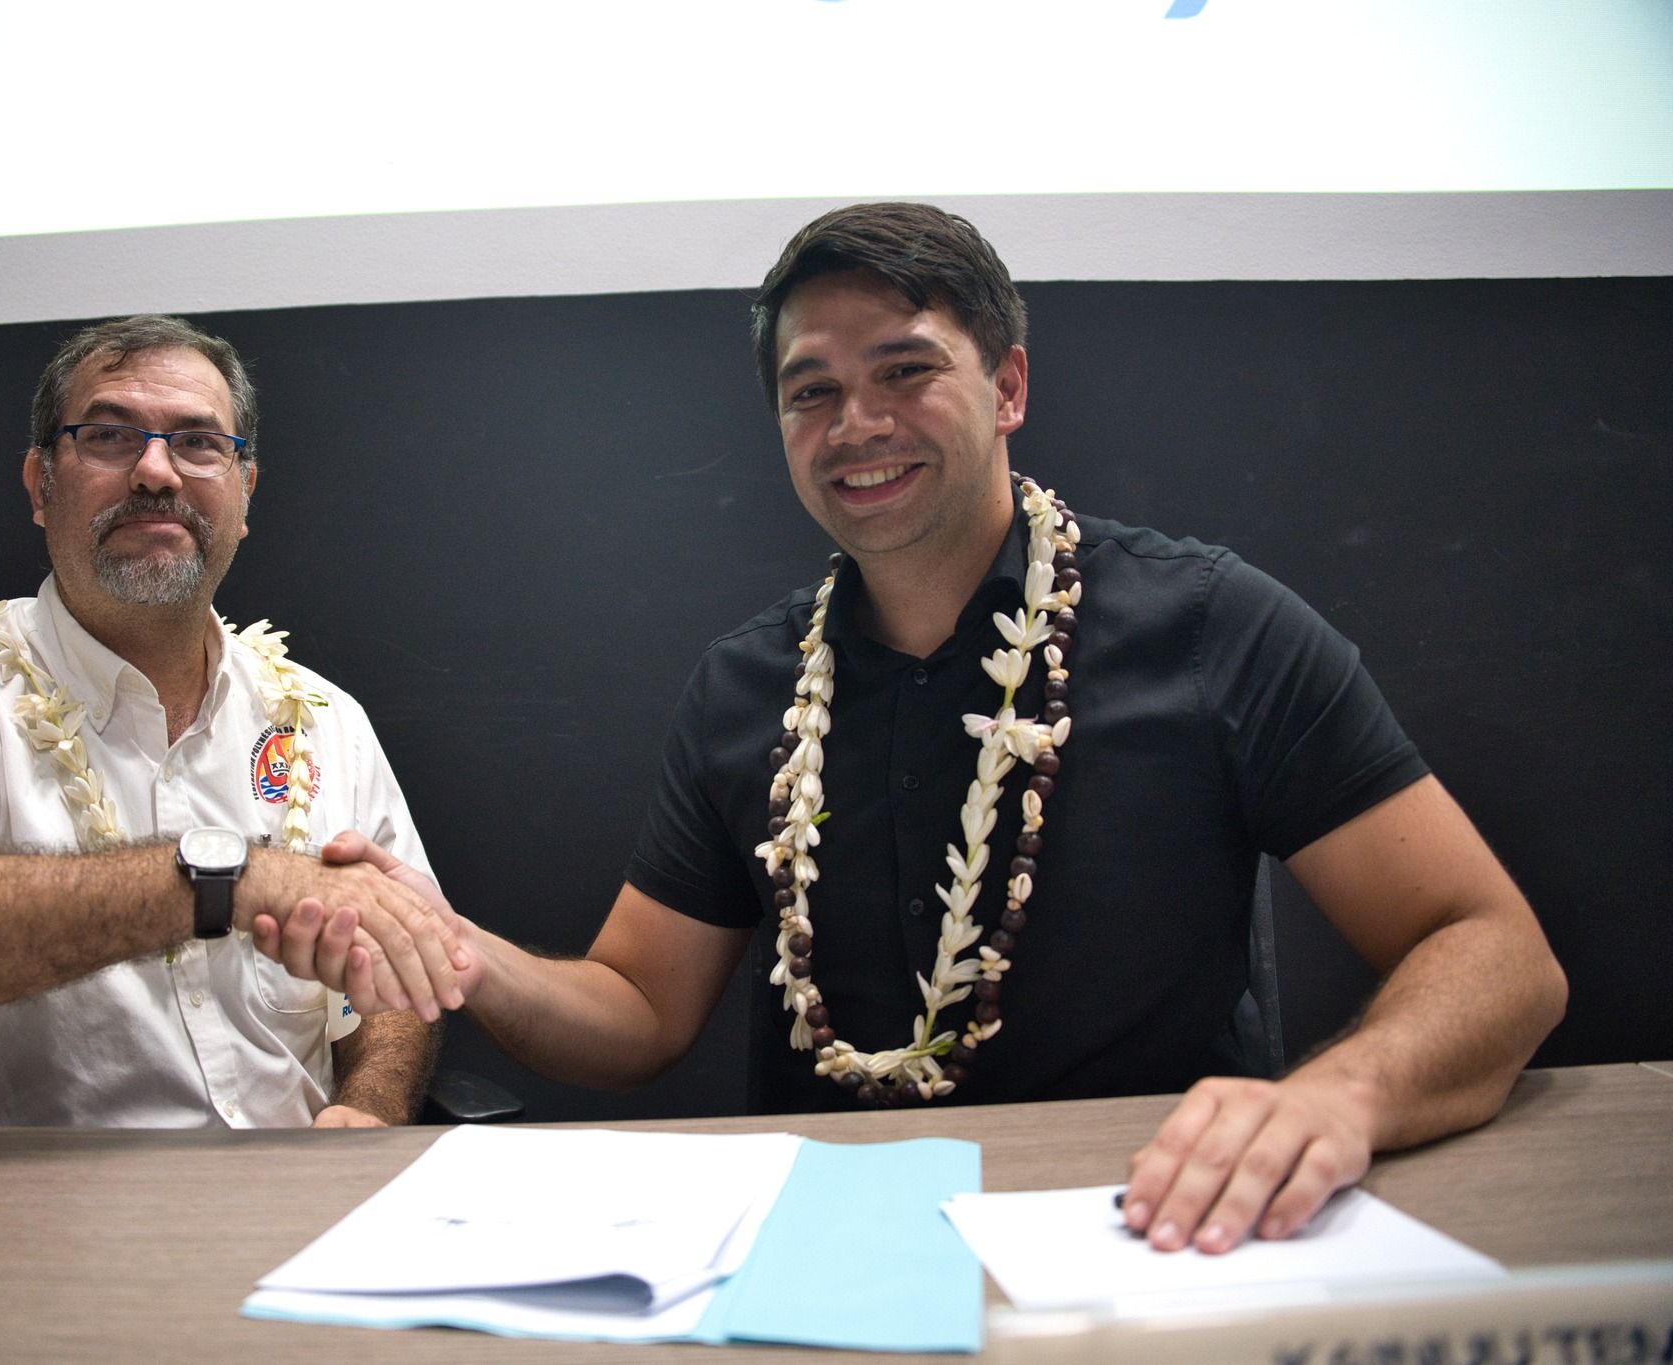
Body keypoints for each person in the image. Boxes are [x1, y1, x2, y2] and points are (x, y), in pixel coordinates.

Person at [285, 203, 1569, 1253]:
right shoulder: (746, 682)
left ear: (1006, 384)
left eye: (905, 370)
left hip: (1152, 1233)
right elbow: (635, 1012)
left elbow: (1495, 952)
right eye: (811, 392)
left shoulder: (1210, 623)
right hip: (817, 1259)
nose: (856, 425)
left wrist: (1337, 1098)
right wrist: (461, 954)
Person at [0, 315, 466, 1128]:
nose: (157, 471)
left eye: (198, 443)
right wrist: (221, 881)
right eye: (110, 435)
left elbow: (405, 974)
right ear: (40, 485)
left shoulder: (325, 719)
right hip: (26, 1229)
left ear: (246, 492)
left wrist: (370, 1105)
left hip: (293, 1211)